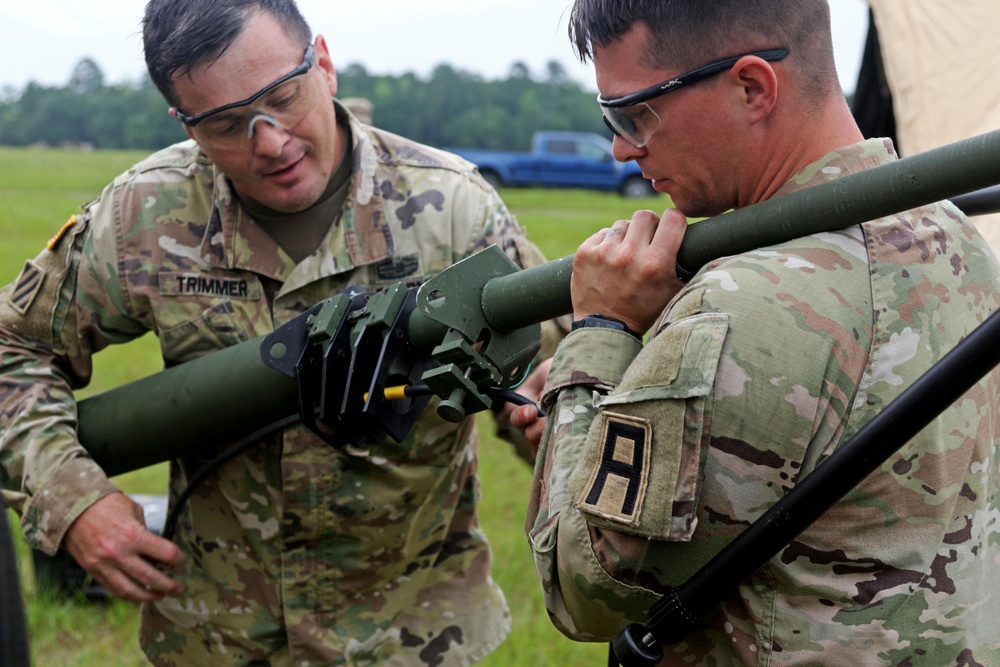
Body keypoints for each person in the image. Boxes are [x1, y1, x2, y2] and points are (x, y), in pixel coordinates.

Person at [0, 0, 560, 664]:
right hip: (217, 640)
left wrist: (546, 418)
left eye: (282, 98)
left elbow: (551, 382)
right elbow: (14, 348)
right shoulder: (144, 214)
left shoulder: (454, 209)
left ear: (322, 62)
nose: (270, 142)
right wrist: (74, 501)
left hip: (414, 637)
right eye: (227, 124)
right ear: (183, 122)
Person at [512, 0, 1000, 664]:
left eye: (633, 113)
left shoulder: (738, 309)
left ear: (752, 87)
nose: (622, 148)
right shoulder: (952, 235)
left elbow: (585, 587)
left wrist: (601, 333)